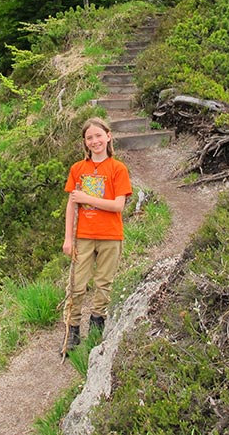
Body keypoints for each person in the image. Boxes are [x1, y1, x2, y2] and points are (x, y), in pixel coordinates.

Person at [61, 117, 132, 354]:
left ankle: (97, 323)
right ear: (85, 142)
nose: (95, 141)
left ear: (108, 136)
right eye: (89, 137)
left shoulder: (118, 168)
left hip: (111, 235)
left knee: (104, 283)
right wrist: (68, 239)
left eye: (99, 136)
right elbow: (71, 205)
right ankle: (72, 329)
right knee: (77, 284)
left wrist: (87, 199)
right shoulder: (78, 169)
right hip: (83, 235)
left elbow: (118, 206)